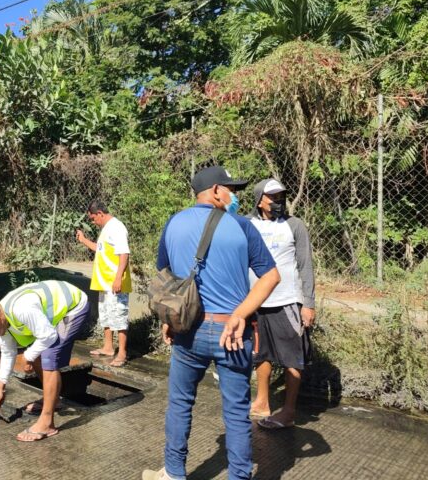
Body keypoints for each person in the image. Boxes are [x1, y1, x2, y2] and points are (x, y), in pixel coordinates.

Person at [142, 165, 280, 480]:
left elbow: (168, 277)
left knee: (179, 403)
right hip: (232, 334)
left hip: (188, 330)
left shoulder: (173, 223)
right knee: (236, 412)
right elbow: (271, 277)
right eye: (231, 189)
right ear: (216, 191)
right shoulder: (242, 226)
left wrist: (169, 318)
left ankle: (174, 473)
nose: (234, 196)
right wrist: (240, 315)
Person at [0, 279, 89, 442]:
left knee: (49, 356)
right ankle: (53, 400)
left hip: (73, 306)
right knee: (38, 352)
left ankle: (47, 423)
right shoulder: (2, 320)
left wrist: (28, 357)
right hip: (52, 314)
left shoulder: (21, 310)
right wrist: (0, 388)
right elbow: (8, 353)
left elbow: (49, 336)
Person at [249, 178, 315, 429]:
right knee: (260, 354)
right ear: (259, 200)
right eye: (272, 197)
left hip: (286, 300)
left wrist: (308, 303)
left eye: (280, 197)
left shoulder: (294, 225)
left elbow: (305, 265)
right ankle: (262, 402)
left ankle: (288, 412)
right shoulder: (247, 224)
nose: (277, 201)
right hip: (255, 301)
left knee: (291, 357)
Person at [75, 199, 131, 367]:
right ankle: (108, 347)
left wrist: (118, 278)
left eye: (93, 218)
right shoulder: (106, 229)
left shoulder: (117, 227)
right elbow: (100, 249)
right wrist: (84, 240)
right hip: (104, 282)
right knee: (106, 315)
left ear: (100, 213)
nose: (93, 222)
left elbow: (124, 254)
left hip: (115, 282)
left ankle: (122, 352)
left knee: (119, 316)